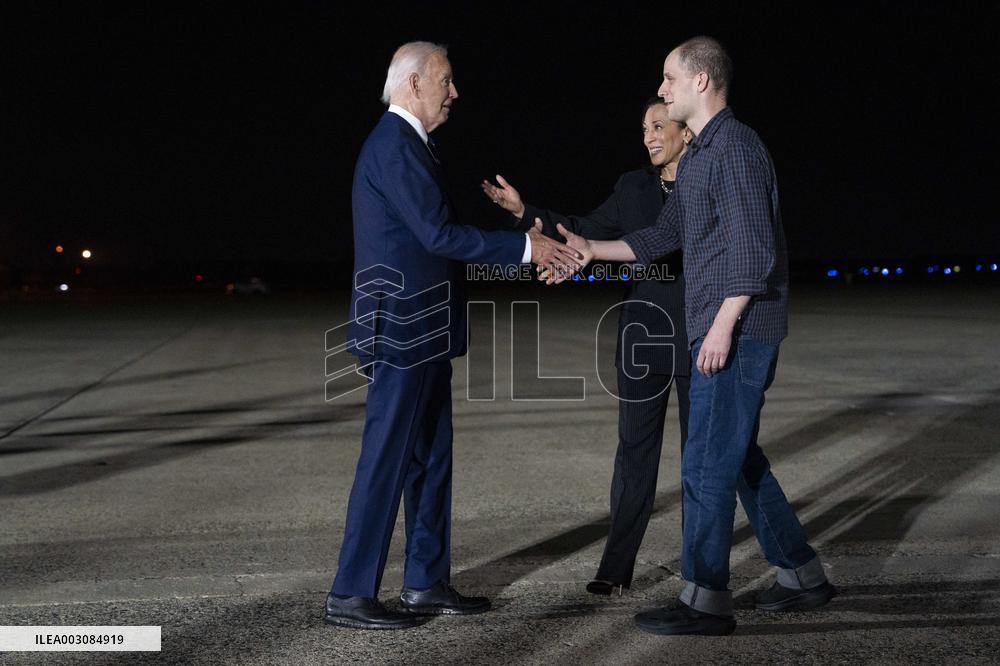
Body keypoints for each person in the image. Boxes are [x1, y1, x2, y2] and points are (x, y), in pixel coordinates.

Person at [546, 36, 836, 636]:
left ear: (701, 81)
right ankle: (802, 575)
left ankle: (705, 599)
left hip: (738, 330)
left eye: (668, 78)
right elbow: (661, 236)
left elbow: (753, 252)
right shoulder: (702, 155)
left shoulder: (738, 149)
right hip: (716, 327)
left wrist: (723, 327)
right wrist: (589, 249)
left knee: (705, 466)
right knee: (738, 460)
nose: (661, 89)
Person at [325, 41, 582, 630]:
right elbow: (439, 235)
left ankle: (425, 582)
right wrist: (525, 247)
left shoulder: (414, 147)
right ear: (413, 84)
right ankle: (349, 591)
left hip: (426, 330)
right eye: (446, 80)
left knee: (430, 460)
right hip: (401, 330)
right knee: (386, 460)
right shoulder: (393, 145)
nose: (454, 91)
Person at [481, 100, 693, 597]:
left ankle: (702, 569)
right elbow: (586, 230)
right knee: (634, 456)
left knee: (699, 460)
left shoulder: (707, 181)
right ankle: (615, 569)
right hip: (643, 336)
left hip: (699, 335)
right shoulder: (633, 186)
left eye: (659, 126)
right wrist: (524, 212)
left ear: (687, 130)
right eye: (644, 128)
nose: (649, 136)